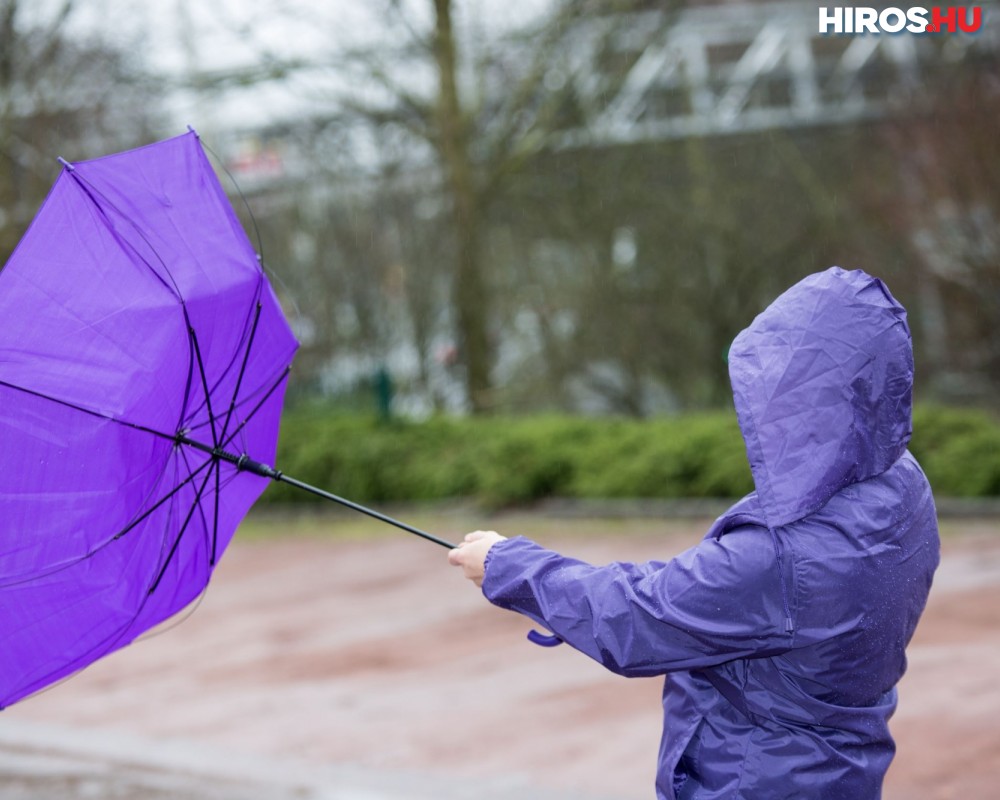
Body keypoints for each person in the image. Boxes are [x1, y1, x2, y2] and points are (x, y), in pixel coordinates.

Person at [448, 267, 940, 799]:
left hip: (753, 782)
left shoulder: (781, 558)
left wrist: (507, 565)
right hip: (839, 776)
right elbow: (713, 591)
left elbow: (639, 616)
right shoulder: (903, 485)